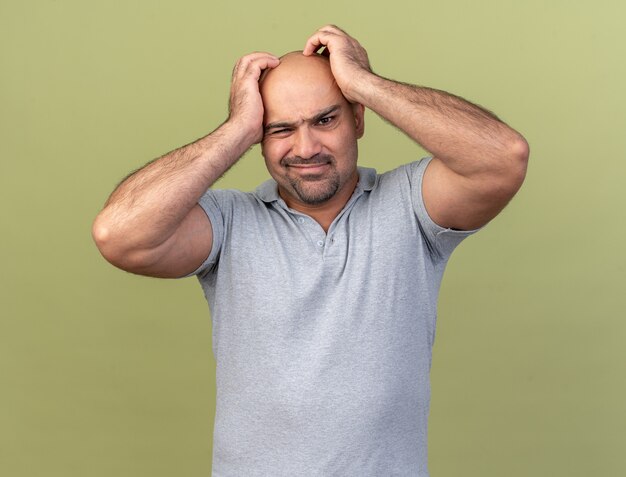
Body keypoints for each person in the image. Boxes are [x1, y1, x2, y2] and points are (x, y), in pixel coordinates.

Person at [93, 25, 529, 476]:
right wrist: (237, 128)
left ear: (358, 118)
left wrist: (364, 82)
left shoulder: (410, 207)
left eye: (325, 120)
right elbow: (119, 234)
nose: (306, 148)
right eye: (280, 129)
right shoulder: (228, 223)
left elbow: (503, 157)